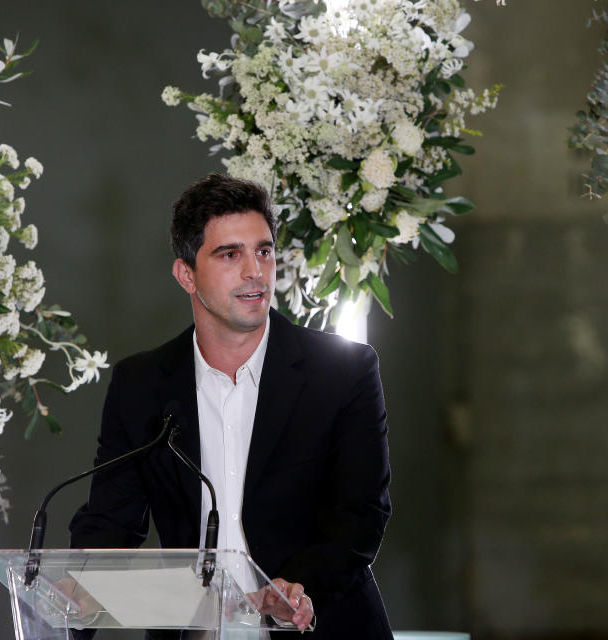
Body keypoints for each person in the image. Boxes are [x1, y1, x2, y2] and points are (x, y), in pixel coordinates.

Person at [69, 173, 393, 638]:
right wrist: (74, 595)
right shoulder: (140, 384)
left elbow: (362, 514)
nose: (254, 272)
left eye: (263, 251)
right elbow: (110, 521)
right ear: (186, 274)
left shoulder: (343, 372)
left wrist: (298, 589)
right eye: (229, 254)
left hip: (318, 626)